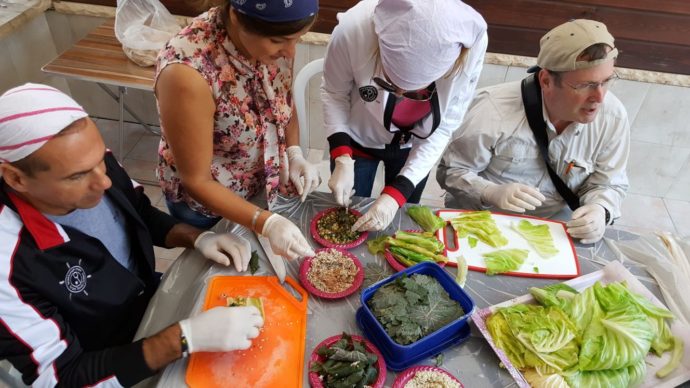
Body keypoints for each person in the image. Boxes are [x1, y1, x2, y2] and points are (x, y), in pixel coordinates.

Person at [0, 84, 264, 387]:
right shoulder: (9, 267)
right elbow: (63, 377)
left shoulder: (95, 165)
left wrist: (196, 237)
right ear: (16, 178)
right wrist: (182, 338)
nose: (103, 182)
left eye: (100, 160)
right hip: (110, 358)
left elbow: (138, 210)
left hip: (148, 299)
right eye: (77, 176)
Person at [437, 19, 630, 244]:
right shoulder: (492, 111)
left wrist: (600, 209)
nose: (599, 97)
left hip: (554, 226)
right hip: (483, 222)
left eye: (606, 81)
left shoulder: (612, 116)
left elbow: (609, 182)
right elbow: (451, 172)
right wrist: (490, 191)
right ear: (546, 80)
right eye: (584, 85)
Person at [155, 0, 318, 261]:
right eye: (279, 41)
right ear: (236, 16)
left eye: (298, 39)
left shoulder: (276, 45)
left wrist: (294, 151)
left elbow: (282, 99)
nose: (290, 51)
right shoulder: (187, 72)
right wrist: (266, 223)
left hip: (258, 186)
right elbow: (197, 180)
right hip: (209, 206)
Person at [320, 0, 487, 232]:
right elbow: (334, 93)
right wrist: (341, 156)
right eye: (390, 82)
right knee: (349, 212)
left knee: (398, 220)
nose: (400, 95)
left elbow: (444, 126)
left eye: (414, 91)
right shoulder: (354, 28)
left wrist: (397, 193)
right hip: (359, 135)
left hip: (413, 145)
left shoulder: (468, 44)